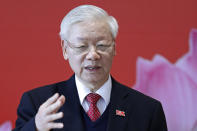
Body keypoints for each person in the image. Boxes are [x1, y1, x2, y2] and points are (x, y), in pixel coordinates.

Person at [13, 5, 167, 131]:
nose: (93, 55)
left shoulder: (147, 110)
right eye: (82, 46)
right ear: (65, 49)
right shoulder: (38, 102)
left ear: (114, 48)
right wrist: (36, 127)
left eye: (101, 45)